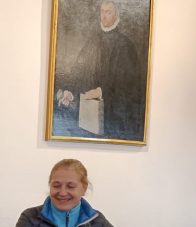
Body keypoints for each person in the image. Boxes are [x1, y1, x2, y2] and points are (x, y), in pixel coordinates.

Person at [55, 0, 144, 140]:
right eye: (102, 12)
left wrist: (101, 91)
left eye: (108, 12)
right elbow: (78, 71)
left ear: (116, 15)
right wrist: (70, 92)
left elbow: (130, 86)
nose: (104, 16)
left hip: (114, 121)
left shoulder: (125, 45)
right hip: (88, 119)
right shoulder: (93, 41)